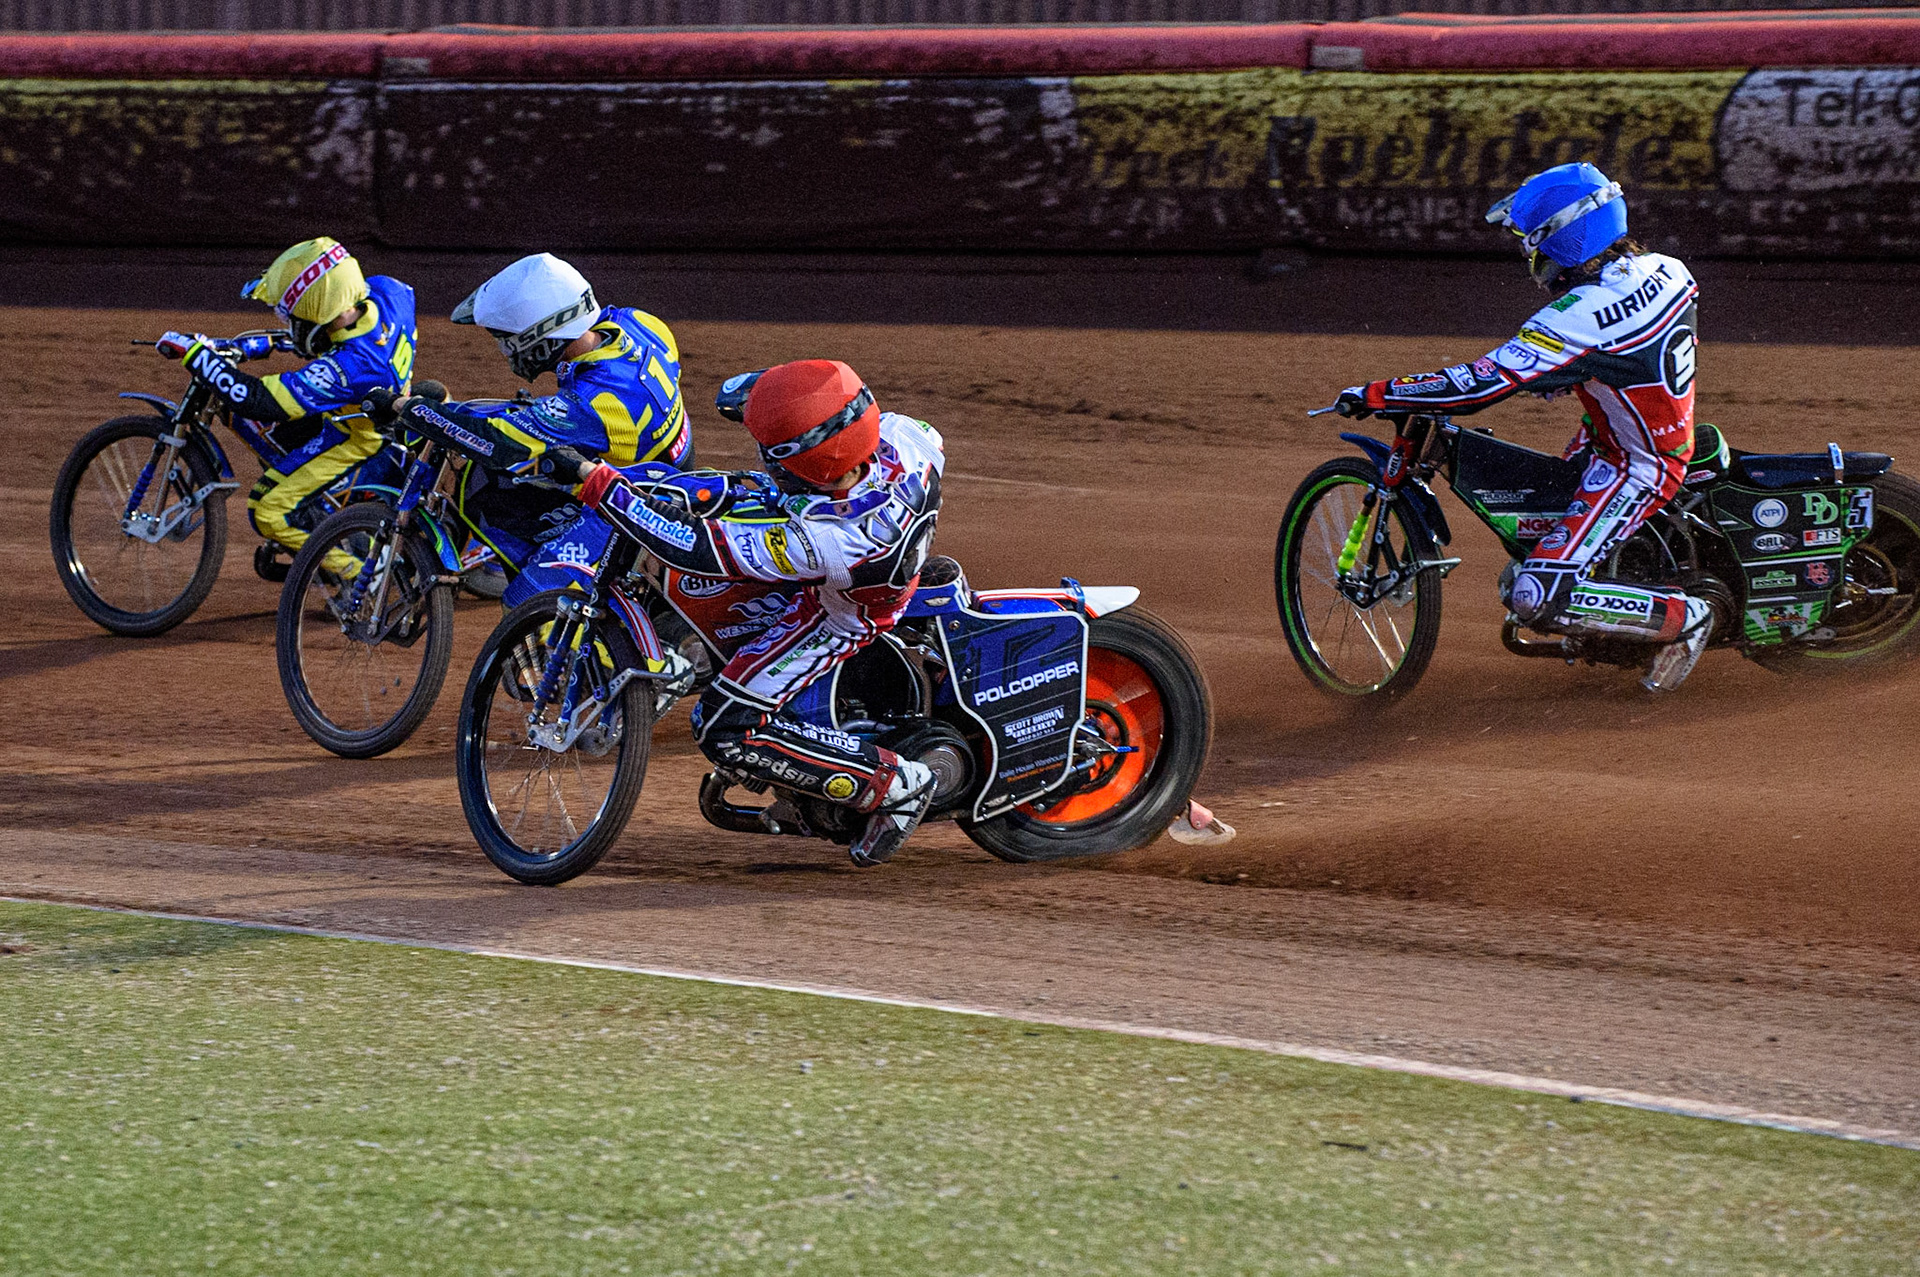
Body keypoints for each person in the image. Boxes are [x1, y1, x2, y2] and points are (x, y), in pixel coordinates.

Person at [385, 358, 942, 867]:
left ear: (808, 461)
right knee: (687, 494)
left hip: (837, 614)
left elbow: (691, 548)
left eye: (772, 450)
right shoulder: (901, 436)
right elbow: (825, 422)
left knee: (725, 725)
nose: (762, 455)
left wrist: (599, 483)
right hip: (849, 546)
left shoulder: (827, 540)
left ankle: (895, 785)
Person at [1332, 162, 1716, 693]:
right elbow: (1624, 355)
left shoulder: (1576, 315)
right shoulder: (1668, 270)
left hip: (1636, 464)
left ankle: (1684, 616)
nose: (1528, 256)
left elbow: (1478, 387)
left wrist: (1380, 392)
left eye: (1532, 242)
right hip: (1642, 430)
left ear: (1564, 238)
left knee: (1534, 594)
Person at [155, 237, 417, 576]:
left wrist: (196, 357)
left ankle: (365, 573)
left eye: (290, 317)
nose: (287, 324)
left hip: (356, 439)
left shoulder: (348, 366)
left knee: (267, 508)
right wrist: (255, 345)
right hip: (378, 410)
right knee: (280, 442)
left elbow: (259, 401)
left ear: (317, 309)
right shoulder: (388, 292)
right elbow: (326, 335)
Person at [438, 253, 693, 594]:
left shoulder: (592, 403)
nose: (504, 350)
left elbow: (495, 437)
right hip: (669, 468)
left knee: (523, 597)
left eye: (508, 339)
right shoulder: (639, 323)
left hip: (637, 508)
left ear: (544, 332)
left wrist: (411, 409)